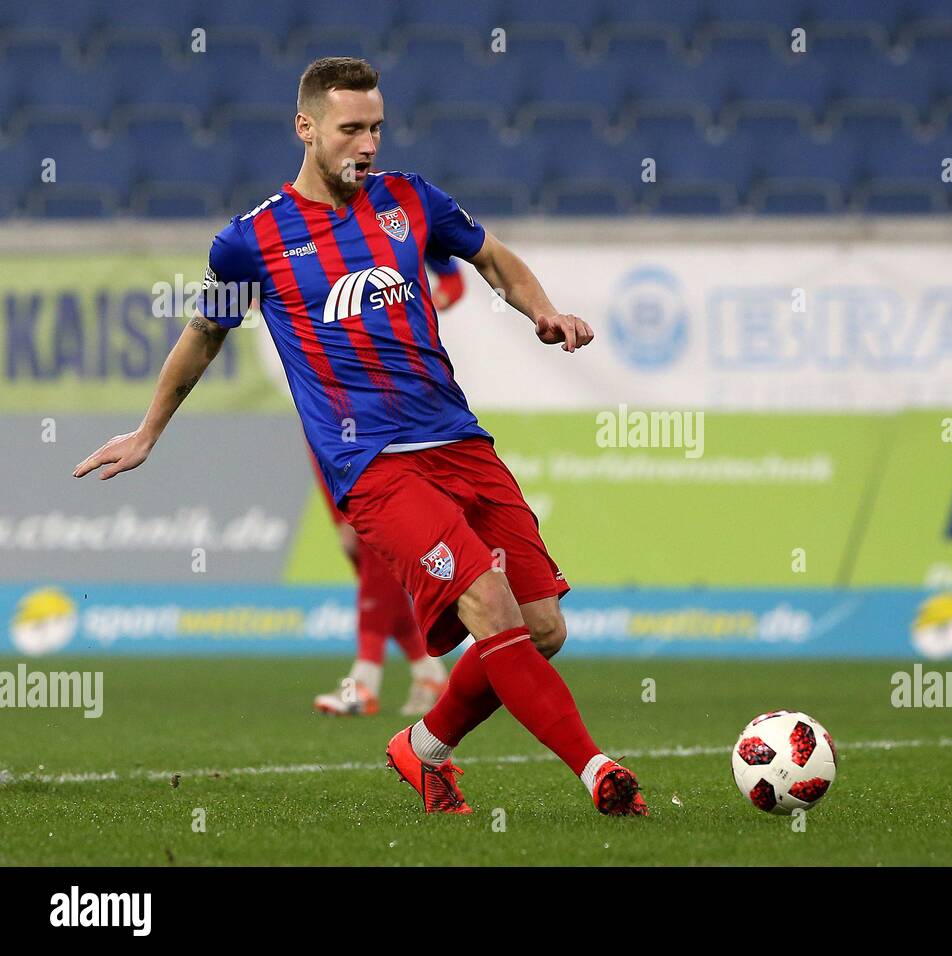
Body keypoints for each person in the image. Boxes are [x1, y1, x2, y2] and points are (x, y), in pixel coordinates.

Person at [73, 56, 646, 817]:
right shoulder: (251, 242)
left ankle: (423, 748)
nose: (366, 145)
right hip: (372, 466)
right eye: (350, 129)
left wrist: (538, 309)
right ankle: (597, 771)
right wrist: (150, 430)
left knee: (541, 628)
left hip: (458, 441)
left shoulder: (411, 200)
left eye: (375, 128)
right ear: (306, 128)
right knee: (487, 603)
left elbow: (494, 258)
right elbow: (204, 335)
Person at [311, 257, 465, 718]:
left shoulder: (397, 215)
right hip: (338, 443)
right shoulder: (314, 356)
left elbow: (455, 277)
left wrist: (426, 304)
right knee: (377, 575)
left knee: (377, 569)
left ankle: (364, 680)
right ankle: (430, 672)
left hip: (388, 442)